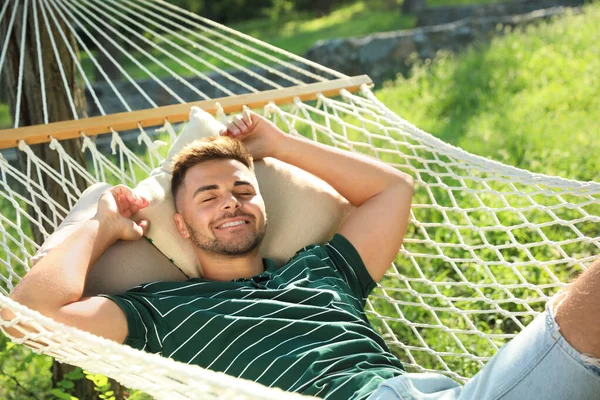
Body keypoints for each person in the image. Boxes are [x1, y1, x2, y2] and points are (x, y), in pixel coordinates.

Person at [3, 111, 599, 399]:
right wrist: (102, 225)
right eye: (208, 197)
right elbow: (28, 320)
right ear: (179, 224)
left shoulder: (320, 267)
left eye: (243, 189)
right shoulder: (158, 310)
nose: (232, 202)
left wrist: (279, 145)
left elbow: (394, 190)